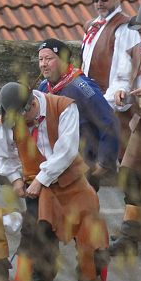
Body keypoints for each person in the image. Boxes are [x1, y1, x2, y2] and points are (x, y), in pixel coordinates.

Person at [0, 82, 109, 281]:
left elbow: (66, 151)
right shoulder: (6, 120)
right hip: (37, 189)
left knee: (92, 237)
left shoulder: (64, 107)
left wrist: (40, 180)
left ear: (32, 105)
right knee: (38, 238)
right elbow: (2, 154)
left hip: (73, 183)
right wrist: (16, 179)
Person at [36, 38, 119, 189]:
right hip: (53, 165)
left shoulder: (82, 87)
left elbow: (109, 121)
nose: (43, 64)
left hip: (81, 164)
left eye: (49, 59)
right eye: (40, 59)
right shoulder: (43, 87)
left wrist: (105, 162)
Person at [79, 0, 141, 154]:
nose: (99, 3)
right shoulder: (91, 26)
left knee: (124, 164)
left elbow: (125, 72)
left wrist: (103, 104)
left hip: (112, 106)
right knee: (87, 160)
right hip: (90, 103)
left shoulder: (125, 28)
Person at [110, 3, 141, 256]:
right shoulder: (139, 50)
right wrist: (121, 91)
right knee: (129, 172)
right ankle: (132, 233)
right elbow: (124, 76)